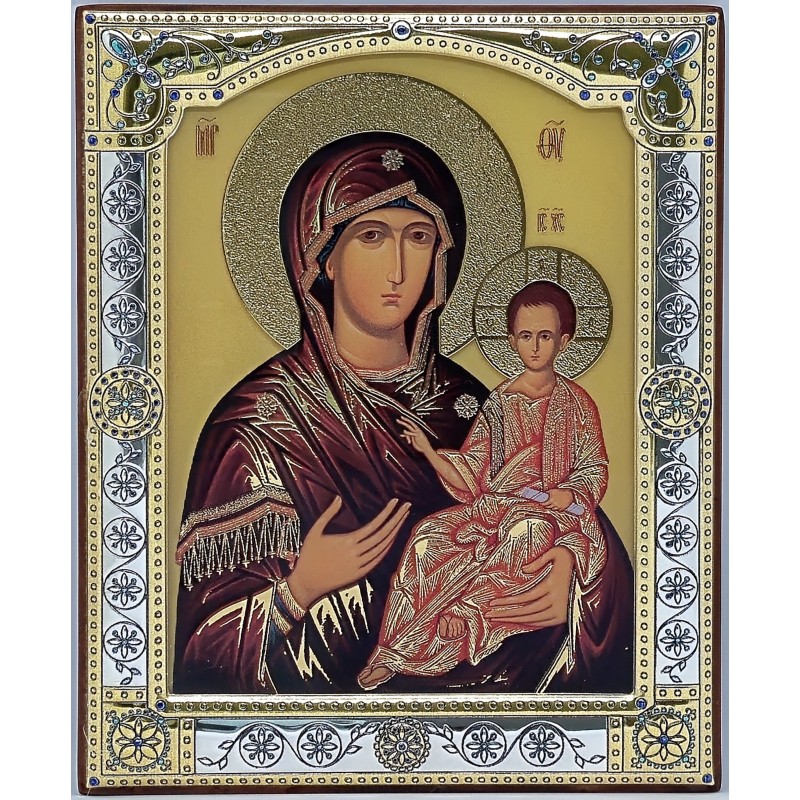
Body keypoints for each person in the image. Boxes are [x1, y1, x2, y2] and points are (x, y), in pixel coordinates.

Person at [173, 133, 633, 694]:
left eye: (418, 238)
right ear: (322, 258)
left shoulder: (476, 400)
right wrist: (300, 589)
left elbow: (578, 507)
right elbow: (201, 656)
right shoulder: (260, 422)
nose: (397, 268)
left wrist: (573, 574)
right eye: (371, 236)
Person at [358, 282, 611, 690]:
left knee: (525, 533)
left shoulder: (577, 404)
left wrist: (567, 494)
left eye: (545, 336)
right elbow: (476, 470)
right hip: (494, 508)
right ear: (511, 340)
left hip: (555, 516)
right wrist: (429, 452)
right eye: (525, 336)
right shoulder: (499, 403)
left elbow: (593, 467)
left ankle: (465, 615)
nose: (534, 347)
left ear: (564, 341)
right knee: (428, 536)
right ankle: (393, 649)